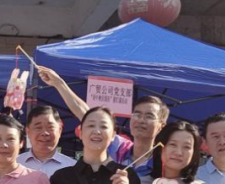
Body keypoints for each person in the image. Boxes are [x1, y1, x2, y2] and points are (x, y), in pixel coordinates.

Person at [36, 66, 168, 174]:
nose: (141, 120)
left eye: (149, 116)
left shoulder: (163, 163)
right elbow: (85, 113)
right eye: (137, 114)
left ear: (161, 126)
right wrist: (59, 83)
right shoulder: (119, 148)